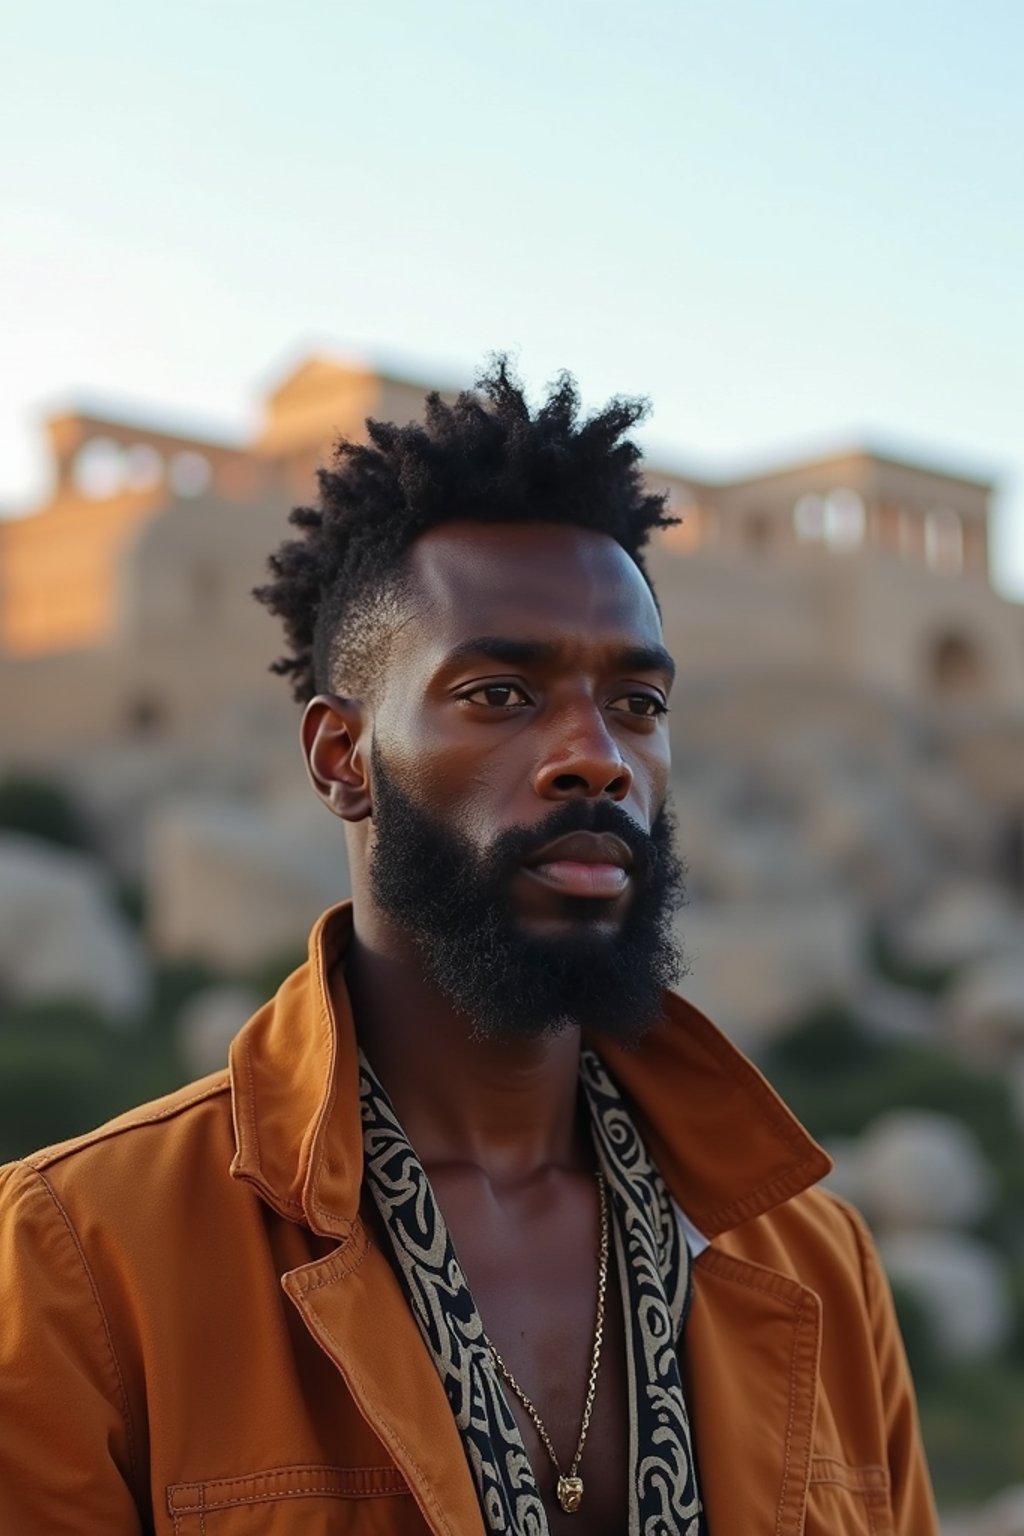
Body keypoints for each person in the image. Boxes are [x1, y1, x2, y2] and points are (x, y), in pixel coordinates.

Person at [0, 360, 938, 1535]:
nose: (595, 755)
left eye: (637, 705)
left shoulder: (816, 1267)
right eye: (500, 693)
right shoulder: (85, 1262)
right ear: (342, 758)